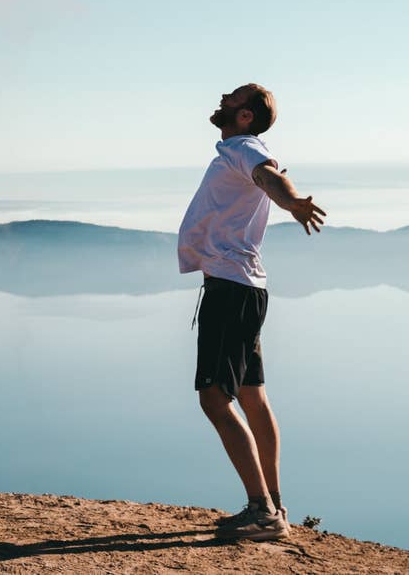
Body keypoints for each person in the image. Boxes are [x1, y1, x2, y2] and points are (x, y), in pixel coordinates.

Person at [178, 83, 325, 542]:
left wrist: (292, 201)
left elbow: (270, 176)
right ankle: (273, 504)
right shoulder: (238, 149)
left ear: (245, 116)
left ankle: (262, 512)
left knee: (214, 398)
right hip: (242, 286)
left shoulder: (245, 148)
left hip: (230, 288)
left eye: (232, 98)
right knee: (250, 394)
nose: (221, 98)